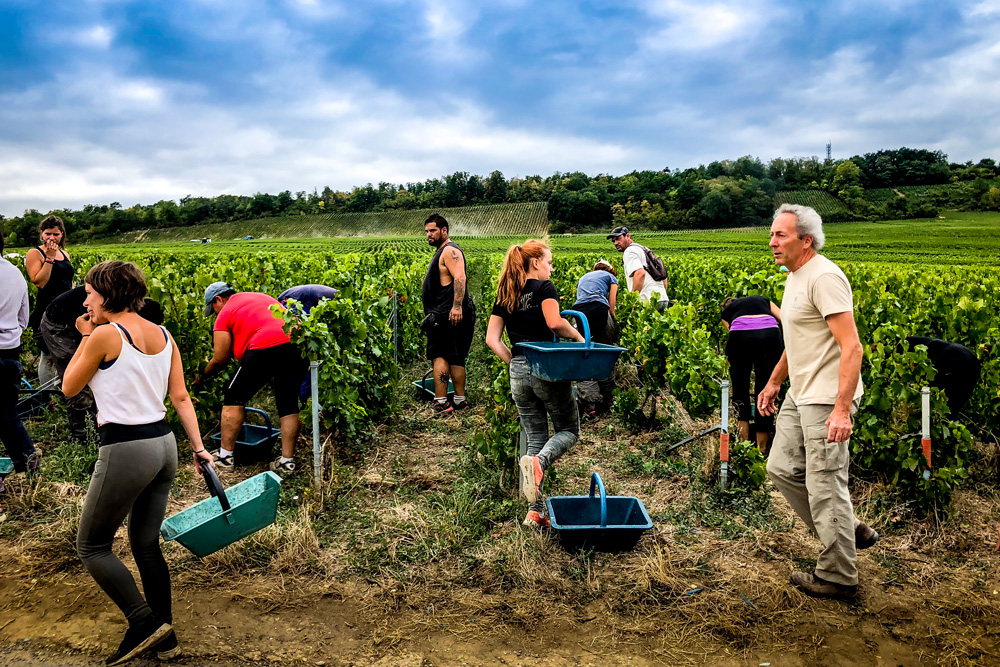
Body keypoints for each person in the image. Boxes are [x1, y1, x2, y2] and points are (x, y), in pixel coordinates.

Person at [62, 260, 212, 665]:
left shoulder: (105, 334)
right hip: (164, 445)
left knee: (91, 546)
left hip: (126, 448)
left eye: (90, 292)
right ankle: (167, 639)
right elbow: (180, 397)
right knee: (145, 545)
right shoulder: (163, 334)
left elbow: (69, 386)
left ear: (108, 294)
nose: (85, 299)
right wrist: (199, 449)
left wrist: (86, 336)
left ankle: (143, 622)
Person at [757, 204, 877, 601]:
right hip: (800, 393)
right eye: (773, 234)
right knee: (780, 467)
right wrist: (774, 382)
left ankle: (839, 575)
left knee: (825, 484)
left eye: (781, 235)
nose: (772, 242)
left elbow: (852, 346)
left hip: (826, 398)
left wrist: (842, 409)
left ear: (806, 240)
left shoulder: (824, 277)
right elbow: (798, 341)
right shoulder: (794, 276)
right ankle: (847, 529)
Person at [485, 240, 584, 529]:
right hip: (546, 368)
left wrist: (515, 363)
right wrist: (579, 338)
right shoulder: (544, 289)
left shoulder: (506, 293)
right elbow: (555, 323)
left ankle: (535, 512)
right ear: (536, 263)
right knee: (568, 430)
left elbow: (492, 340)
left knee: (536, 437)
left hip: (517, 369)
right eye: (549, 262)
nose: (551, 268)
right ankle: (540, 464)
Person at [197, 282, 307, 473]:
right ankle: (287, 462)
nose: (214, 313)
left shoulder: (225, 312)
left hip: (267, 345)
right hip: (298, 341)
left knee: (233, 395)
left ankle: (225, 457)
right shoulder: (259, 297)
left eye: (213, 309)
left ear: (218, 299)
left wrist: (200, 377)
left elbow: (220, 359)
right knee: (288, 401)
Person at [41, 286, 164, 445]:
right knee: (80, 382)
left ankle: (98, 427)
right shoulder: (111, 314)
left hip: (86, 323)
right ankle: (84, 439)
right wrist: (87, 337)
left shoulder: (127, 310)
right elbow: (71, 385)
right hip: (60, 322)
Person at [0, 234, 39, 523]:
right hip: (9, 352)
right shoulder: (14, 273)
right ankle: (31, 467)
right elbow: (24, 317)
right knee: (7, 413)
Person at [422, 213, 476, 414]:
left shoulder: (449, 250)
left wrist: (456, 306)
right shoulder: (444, 251)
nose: (429, 234)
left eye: (433, 230)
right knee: (456, 356)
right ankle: (460, 400)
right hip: (450, 312)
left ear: (444, 231)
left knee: (440, 355)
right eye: (427, 231)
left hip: (447, 314)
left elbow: (460, 277)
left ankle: (442, 401)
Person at [721, 295, 784, 453]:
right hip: (770, 335)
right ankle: (761, 448)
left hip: (740, 337)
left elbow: (731, 330)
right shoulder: (763, 300)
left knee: (740, 390)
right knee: (766, 391)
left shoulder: (727, 311)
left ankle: (744, 447)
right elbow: (784, 317)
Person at [25, 215, 75, 386]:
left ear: (62, 234)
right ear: (41, 234)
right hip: (47, 310)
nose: (51, 238)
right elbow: (39, 282)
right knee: (48, 355)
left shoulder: (65, 253)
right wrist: (49, 258)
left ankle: (62, 389)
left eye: (56, 234)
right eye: (48, 234)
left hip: (67, 310)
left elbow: (69, 280)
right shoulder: (35, 253)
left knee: (66, 352)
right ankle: (48, 395)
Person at [571, 260, 619, 418]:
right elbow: (611, 306)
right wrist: (614, 325)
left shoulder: (584, 277)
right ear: (610, 270)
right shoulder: (611, 278)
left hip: (579, 313)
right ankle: (609, 397)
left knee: (585, 354)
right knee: (605, 351)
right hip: (599, 310)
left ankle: (589, 405)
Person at [277, 284, 339, 401]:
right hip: (291, 302)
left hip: (296, 300)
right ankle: (304, 402)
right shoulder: (332, 300)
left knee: (308, 358)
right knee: (305, 356)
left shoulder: (334, 298)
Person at [904, 336, 981, 417]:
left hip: (958, 361)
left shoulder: (912, 348)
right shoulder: (925, 344)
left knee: (939, 399)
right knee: (954, 404)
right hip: (973, 363)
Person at [607, 226, 668, 312]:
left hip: (648, 300)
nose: (615, 243)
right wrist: (663, 294)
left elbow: (640, 273)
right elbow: (663, 275)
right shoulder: (644, 249)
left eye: (618, 238)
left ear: (628, 236)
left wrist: (632, 300)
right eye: (613, 241)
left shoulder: (629, 251)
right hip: (662, 299)